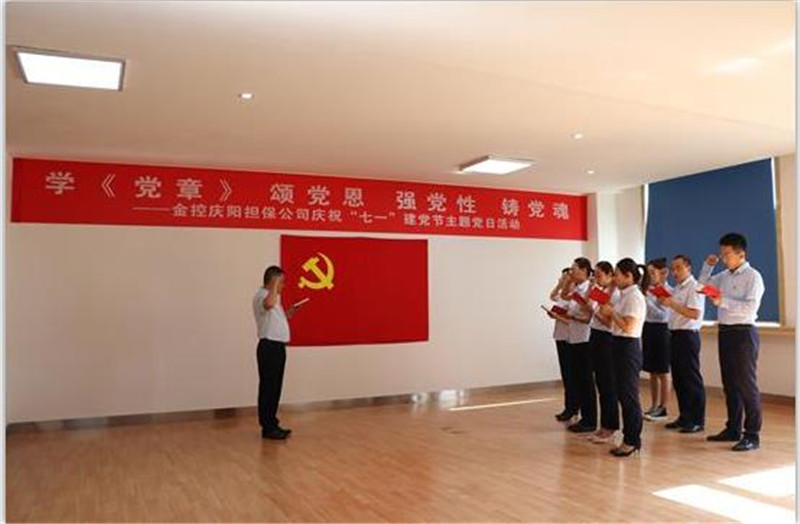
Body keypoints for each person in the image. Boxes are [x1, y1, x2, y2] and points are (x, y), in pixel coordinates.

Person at [700, 233, 765, 452]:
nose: (723, 258)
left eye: (726, 254)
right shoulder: (723, 276)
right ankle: (733, 428)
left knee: (746, 384)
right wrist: (708, 267)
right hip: (725, 332)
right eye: (722, 254)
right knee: (730, 383)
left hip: (744, 333)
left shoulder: (753, 277)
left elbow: (750, 307)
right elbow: (701, 287)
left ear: (741, 254)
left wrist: (723, 301)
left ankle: (752, 434)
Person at [252, 265, 306, 440]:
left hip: (277, 347)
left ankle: (272, 424)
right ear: (272, 281)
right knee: (269, 387)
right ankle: (268, 427)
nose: (283, 285)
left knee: (275, 387)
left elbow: (273, 317)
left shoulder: (273, 297)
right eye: (281, 282)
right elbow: (268, 305)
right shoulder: (263, 295)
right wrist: (274, 286)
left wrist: (288, 313)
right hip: (269, 347)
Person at [599, 258, 646, 457]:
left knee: (629, 396)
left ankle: (632, 440)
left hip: (628, 346)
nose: (614, 278)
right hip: (618, 343)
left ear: (628, 276)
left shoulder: (634, 296)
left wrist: (612, 313)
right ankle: (628, 438)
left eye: (617, 274)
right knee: (622, 394)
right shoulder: (622, 295)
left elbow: (629, 326)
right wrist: (607, 312)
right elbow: (614, 323)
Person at [659, 254, 706, 434]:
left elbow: (694, 313)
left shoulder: (694, 287)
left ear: (688, 268)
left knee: (691, 378)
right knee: (679, 379)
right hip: (675, 335)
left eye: (678, 268)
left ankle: (697, 420)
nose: (675, 272)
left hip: (688, 336)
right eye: (673, 268)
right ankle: (685, 416)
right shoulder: (678, 288)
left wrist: (671, 303)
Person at [583, 261, 620, 444]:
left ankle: (610, 427)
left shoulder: (616, 295)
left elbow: (609, 323)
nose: (595, 278)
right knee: (601, 384)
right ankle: (604, 426)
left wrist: (594, 311)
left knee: (608, 386)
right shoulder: (602, 291)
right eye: (594, 275)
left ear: (610, 275)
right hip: (596, 336)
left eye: (598, 275)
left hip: (606, 339)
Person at [562, 258, 596, 433]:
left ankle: (590, 420)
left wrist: (574, 316)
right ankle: (583, 417)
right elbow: (562, 297)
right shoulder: (576, 288)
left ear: (584, 271)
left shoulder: (590, 289)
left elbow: (590, 315)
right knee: (578, 380)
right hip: (574, 338)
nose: (571, 272)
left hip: (585, 339)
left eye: (574, 269)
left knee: (586, 382)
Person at [641, 258, 672, 421]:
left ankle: (663, 407)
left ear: (664, 273)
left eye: (653, 273)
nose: (650, 276)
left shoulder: (668, 291)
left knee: (663, 371)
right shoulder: (648, 290)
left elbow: (664, 315)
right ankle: (653, 406)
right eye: (648, 273)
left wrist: (646, 301)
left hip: (662, 330)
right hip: (648, 328)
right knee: (652, 371)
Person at [549, 268, 579, 422]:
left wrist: (558, 316)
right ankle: (569, 407)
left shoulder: (574, 296)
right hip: (560, 336)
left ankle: (573, 408)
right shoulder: (564, 295)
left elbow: (574, 320)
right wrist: (560, 284)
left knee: (571, 375)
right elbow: (553, 296)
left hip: (570, 337)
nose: (562, 280)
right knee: (566, 375)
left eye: (566, 278)